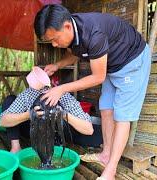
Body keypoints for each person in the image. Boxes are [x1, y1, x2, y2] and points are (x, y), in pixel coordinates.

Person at [34, 4, 151, 180]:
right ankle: (106, 154)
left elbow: (97, 78)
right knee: (105, 109)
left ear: (66, 26)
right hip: (112, 65)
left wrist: (61, 89)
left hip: (132, 62)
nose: (54, 44)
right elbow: (75, 53)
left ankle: (110, 171)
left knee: (122, 116)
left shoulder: (93, 34)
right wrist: (57, 65)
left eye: (55, 39)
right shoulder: (73, 31)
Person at [0, 70, 94, 153]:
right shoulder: (29, 94)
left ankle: (55, 147)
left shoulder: (64, 96)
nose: (47, 91)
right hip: (32, 131)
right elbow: (3, 121)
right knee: (10, 99)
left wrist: (64, 115)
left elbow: (89, 129)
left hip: (56, 133)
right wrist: (29, 115)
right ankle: (16, 148)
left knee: (94, 138)